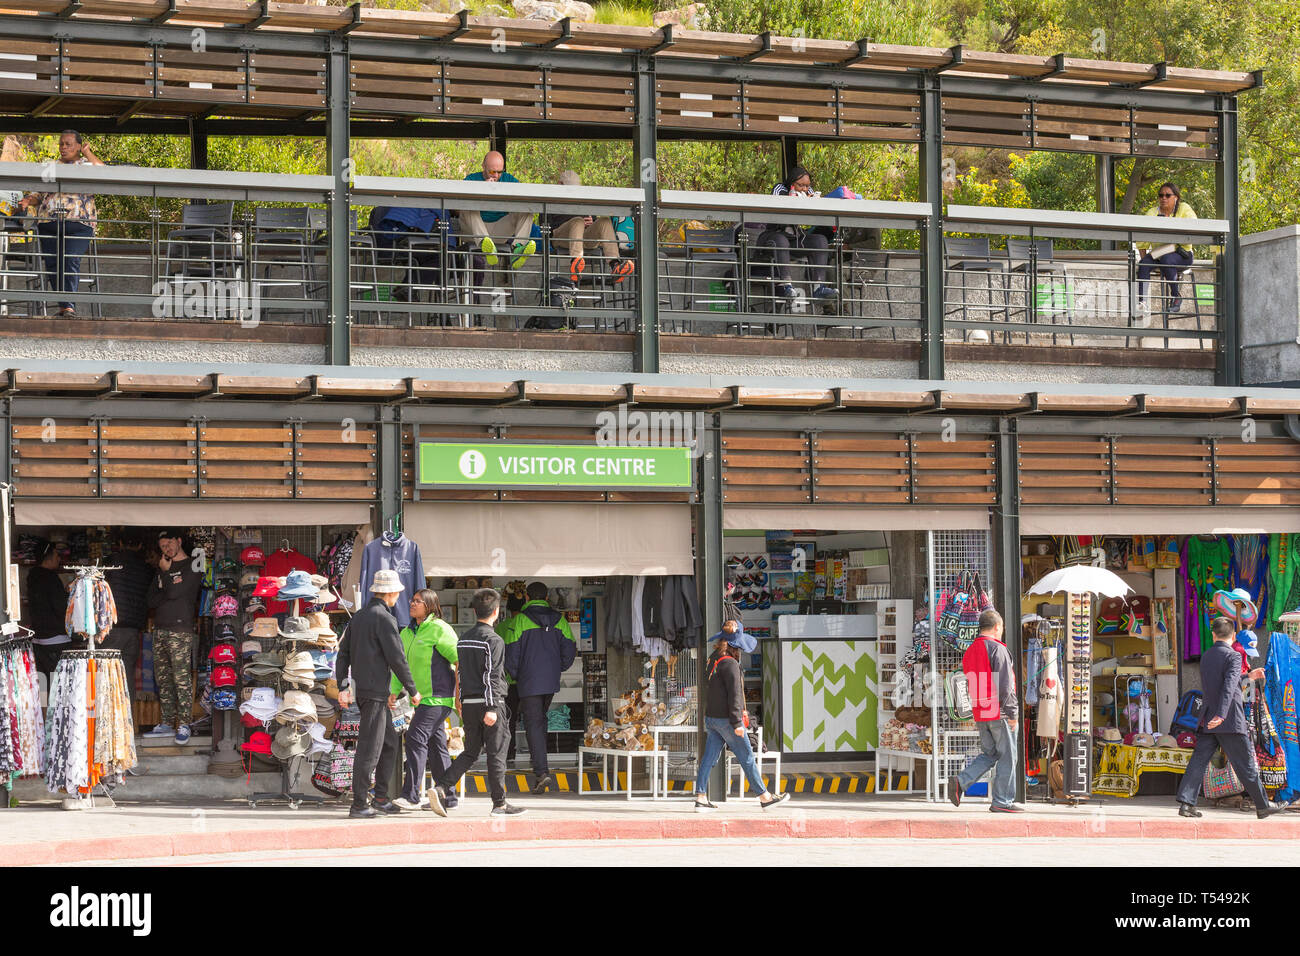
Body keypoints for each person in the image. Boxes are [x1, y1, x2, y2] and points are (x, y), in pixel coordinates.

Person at [1176, 616, 1290, 819]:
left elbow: (1226, 681)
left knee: (1198, 761)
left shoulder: (1208, 655)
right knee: (1246, 763)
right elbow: (1228, 687)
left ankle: (1186, 803)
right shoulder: (1234, 656)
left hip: (1209, 719)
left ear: (1213, 635)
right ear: (1234, 636)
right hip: (1228, 719)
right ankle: (1263, 806)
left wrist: (1248, 676)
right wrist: (1222, 714)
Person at [427, 588, 525, 817]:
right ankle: (499, 804)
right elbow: (492, 675)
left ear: (473, 610)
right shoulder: (494, 640)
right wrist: (492, 707)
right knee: (496, 753)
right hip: (490, 704)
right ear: (497, 612)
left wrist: (460, 702)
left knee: (470, 752)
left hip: (469, 705)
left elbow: (458, 674)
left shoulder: (463, 640)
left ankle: (441, 787)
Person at [336, 569, 420, 819]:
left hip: (367, 691)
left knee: (389, 742)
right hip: (374, 693)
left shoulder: (359, 617)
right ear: (392, 593)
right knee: (370, 748)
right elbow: (397, 657)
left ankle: (381, 798)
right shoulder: (384, 618)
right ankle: (359, 804)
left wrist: (343, 686)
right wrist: (412, 689)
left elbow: (343, 654)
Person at [694, 620, 790, 811]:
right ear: (737, 645)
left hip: (711, 718)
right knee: (746, 757)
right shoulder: (731, 664)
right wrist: (738, 723)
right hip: (727, 721)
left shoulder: (713, 659)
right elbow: (735, 697)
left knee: (708, 758)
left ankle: (701, 797)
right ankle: (765, 797)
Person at [18, 130, 105, 316]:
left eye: (68, 144)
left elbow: (104, 172)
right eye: (61, 144)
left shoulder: (85, 165)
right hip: (48, 222)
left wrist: (88, 152)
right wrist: (27, 201)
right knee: (52, 263)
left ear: (79, 147)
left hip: (79, 225)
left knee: (70, 259)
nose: (63, 148)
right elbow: (38, 194)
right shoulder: (50, 166)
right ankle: (66, 307)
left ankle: (68, 306)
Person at [501, 581, 577, 793]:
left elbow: (510, 654)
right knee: (540, 722)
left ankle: (542, 773)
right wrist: (556, 668)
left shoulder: (520, 621)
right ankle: (540, 767)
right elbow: (570, 651)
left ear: (526, 597)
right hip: (549, 682)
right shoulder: (560, 620)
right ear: (546, 598)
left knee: (534, 723)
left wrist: (518, 676)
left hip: (528, 681)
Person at [390, 588, 459, 811]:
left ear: (429, 606)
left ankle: (410, 795)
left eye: (417, 601)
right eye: (411, 600)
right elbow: (402, 666)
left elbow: (459, 661)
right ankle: (448, 796)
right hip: (420, 700)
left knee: (414, 738)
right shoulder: (407, 633)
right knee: (436, 745)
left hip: (438, 698)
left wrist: (459, 694)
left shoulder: (439, 629)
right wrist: (395, 690)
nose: (412, 604)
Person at [948, 608, 1023, 812]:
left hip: (981, 710)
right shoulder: (997, 649)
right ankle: (1002, 801)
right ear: (997, 627)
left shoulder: (971, 649)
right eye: (1002, 628)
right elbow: (1006, 686)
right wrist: (1013, 714)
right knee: (1008, 756)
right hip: (1000, 711)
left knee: (990, 753)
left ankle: (961, 781)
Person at [145, 530, 204, 745]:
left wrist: (167, 577)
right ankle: (167, 722)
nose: (167, 549)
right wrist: (167, 579)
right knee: (163, 680)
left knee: (181, 679)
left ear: (179, 541)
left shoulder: (194, 564)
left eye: (170, 543)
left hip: (181, 629)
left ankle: (185, 723)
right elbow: (151, 599)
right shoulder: (162, 569)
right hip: (160, 627)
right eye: (162, 547)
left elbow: (172, 593)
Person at [547, 170, 635, 296]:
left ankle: (615, 264)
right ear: (559, 184)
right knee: (577, 221)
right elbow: (545, 228)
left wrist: (592, 221)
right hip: (561, 237)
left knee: (604, 220)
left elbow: (594, 220)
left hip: (584, 237)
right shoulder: (550, 199)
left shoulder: (583, 199)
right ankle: (576, 262)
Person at [755, 165, 835, 302]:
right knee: (781, 240)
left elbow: (813, 217)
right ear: (792, 183)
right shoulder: (780, 188)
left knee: (820, 240)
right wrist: (792, 197)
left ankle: (819, 287)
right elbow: (775, 204)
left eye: (807, 185)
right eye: (801, 185)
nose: (805, 189)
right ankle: (787, 287)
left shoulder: (808, 191)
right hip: (772, 237)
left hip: (795, 238)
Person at [458, 151, 536, 272]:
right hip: (473, 233)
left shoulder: (508, 179)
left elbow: (525, 199)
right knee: (467, 206)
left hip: (499, 230)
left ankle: (518, 248)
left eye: (499, 172)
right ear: (483, 166)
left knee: (527, 211)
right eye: (491, 171)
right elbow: (455, 206)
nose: (495, 175)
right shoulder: (471, 179)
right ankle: (485, 244)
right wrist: (481, 190)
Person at [102, 530, 153, 699]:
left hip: (111, 628)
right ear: (139, 546)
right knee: (127, 675)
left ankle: (108, 720)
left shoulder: (110, 563)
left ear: (120, 544)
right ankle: (127, 719)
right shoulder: (146, 568)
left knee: (107, 674)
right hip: (133, 630)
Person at [1136, 182, 1197, 313]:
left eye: (1168, 195)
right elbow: (1141, 238)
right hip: (1159, 254)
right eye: (1161, 195)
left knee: (1167, 260)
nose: (1163, 198)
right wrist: (1146, 259)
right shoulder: (1152, 212)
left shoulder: (1184, 208)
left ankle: (1176, 297)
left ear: (1176, 197)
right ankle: (1142, 303)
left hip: (1183, 255)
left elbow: (1194, 225)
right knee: (1143, 264)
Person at [370, 205, 451, 304]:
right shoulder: (417, 206)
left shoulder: (380, 208)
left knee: (423, 257)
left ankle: (408, 288)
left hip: (382, 250)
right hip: (396, 249)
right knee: (442, 257)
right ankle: (409, 288)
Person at [27, 541, 70, 679]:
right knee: (59, 686)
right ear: (49, 556)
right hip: (56, 639)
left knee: (44, 686)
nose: (59, 558)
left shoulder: (32, 577)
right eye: (57, 555)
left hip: (38, 639)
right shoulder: (51, 578)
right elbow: (60, 607)